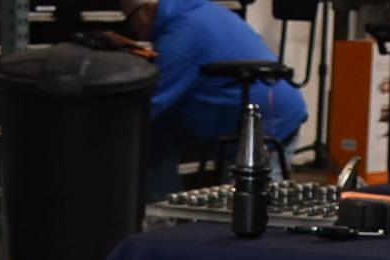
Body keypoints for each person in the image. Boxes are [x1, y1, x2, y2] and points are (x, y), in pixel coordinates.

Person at [120, 0, 308, 196]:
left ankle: (162, 215)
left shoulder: (181, 35)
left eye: (130, 20)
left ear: (147, 10)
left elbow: (150, 102)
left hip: (266, 126)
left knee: (248, 210)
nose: (133, 29)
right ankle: (166, 212)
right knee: (155, 139)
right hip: (267, 115)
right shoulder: (197, 11)